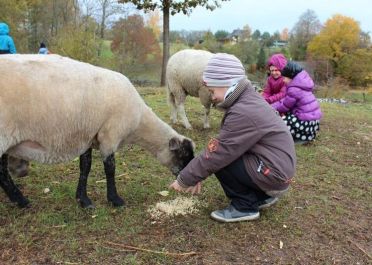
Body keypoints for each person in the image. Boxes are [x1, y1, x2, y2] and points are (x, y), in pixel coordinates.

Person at [169, 53, 296, 223]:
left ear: (226, 83)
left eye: (213, 90)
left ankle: (245, 206)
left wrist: (185, 178)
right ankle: (260, 196)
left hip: (273, 174)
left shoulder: (242, 111)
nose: (212, 96)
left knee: (220, 158)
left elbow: (218, 153)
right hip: (276, 170)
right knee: (221, 153)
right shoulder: (248, 100)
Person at [273, 61, 322, 143]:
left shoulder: (294, 89)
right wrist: (273, 105)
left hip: (305, 122)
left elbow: (284, 106)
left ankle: (301, 137)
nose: (283, 80)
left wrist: (271, 108)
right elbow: (285, 100)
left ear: (291, 77)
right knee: (289, 116)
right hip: (313, 121)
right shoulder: (302, 85)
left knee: (281, 125)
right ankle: (307, 135)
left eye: (285, 77)